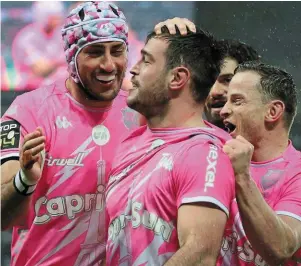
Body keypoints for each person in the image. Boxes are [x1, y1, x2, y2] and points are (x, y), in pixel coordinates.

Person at [1, 2, 197, 265]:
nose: (109, 65)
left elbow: (193, 113)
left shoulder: (139, 112)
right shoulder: (28, 112)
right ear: (71, 57)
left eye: (117, 51)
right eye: (94, 52)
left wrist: (179, 45)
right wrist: (24, 181)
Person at [105, 27, 236, 265]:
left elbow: (200, 255)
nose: (133, 69)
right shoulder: (131, 143)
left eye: (146, 61)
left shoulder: (204, 151)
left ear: (177, 78)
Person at [218, 62, 301, 265]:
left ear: (273, 111)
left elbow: (281, 247)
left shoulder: (297, 172)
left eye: (237, 101)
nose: (223, 111)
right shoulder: (214, 156)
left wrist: (242, 177)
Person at [205, 39, 260, 129]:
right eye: (208, 81)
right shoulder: (182, 140)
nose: (215, 92)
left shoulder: (275, 142)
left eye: (227, 80)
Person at [12, 1, 66, 91]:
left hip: (59, 88)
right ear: (42, 16)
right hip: (30, 88)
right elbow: (40, 69)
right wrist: (57, 63)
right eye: (54, 17)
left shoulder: (64, 33)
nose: (58, 20)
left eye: (59, 16)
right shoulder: (26, 37)